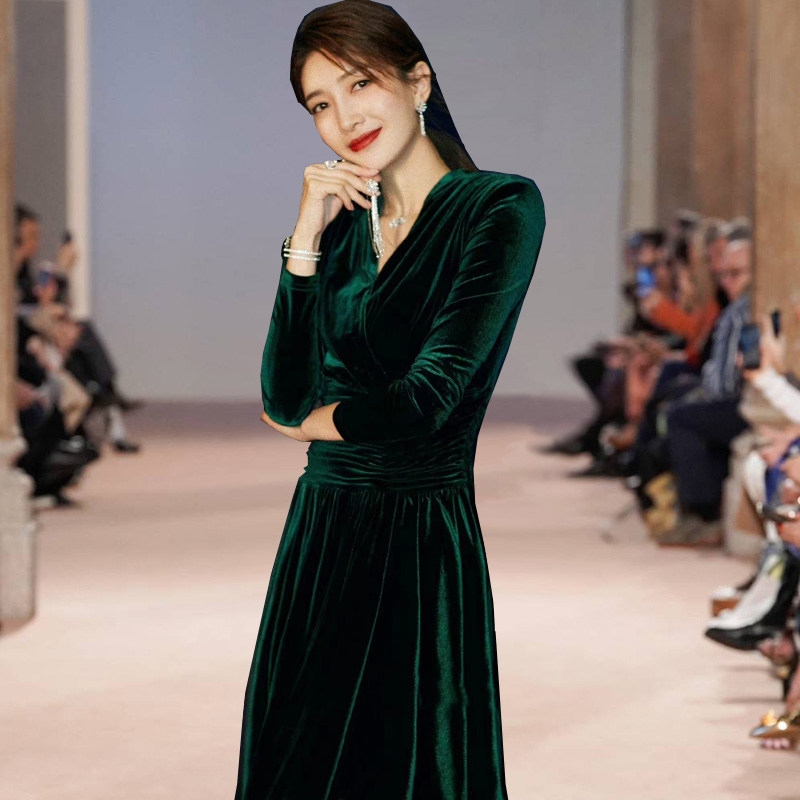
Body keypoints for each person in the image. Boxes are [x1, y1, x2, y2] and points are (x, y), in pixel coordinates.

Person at [233, 2, 545, 798]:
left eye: (360, 83)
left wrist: (312, 425)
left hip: (417, 542)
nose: (344, 119)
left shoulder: (499, 207)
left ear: (419, 82)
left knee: (410, 764)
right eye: (320, 103)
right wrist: (305, 237)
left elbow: (426, 401)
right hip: (318, 537)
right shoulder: (339, 233)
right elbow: (282, 392)